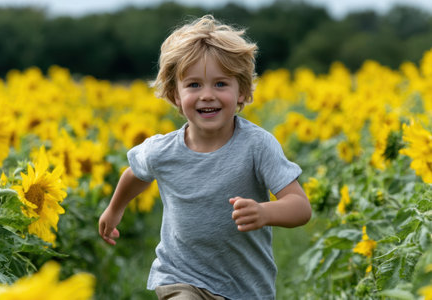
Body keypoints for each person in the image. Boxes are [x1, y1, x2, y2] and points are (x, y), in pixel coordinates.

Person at [98, 15, 311, 300]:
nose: (207, 95)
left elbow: (300, 207)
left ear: (242, 92)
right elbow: (135, 174)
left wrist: (264, 212)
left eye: (221, 84)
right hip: (180, 276)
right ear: (175, 95)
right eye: (194, 85)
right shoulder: (162, 150)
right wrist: (115, 210)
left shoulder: (257, 145)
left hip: (246, 286)